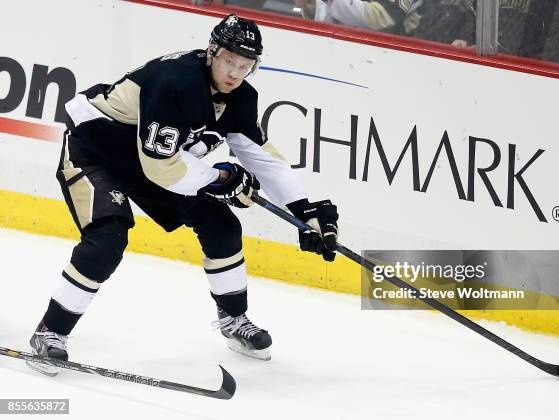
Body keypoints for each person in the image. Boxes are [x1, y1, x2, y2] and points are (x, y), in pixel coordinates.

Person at [27, 14, 339, 375]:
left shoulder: (240, 97)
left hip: (152, 161)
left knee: (221, 225)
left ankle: (234, 320)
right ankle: (49, 333)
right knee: (107, 238)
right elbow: (161, 166)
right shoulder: (175, 82)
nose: (235, 73)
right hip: (95, 151)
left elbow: (260, 156)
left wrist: (304, 211)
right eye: (229, 61)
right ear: (212, 52)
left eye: (245, 65)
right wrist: (220, 178)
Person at [294, 0, 423, 36]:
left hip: (393, 62)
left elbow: (381, 17)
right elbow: (338, 19)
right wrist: (311, 6)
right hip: (346, 57)